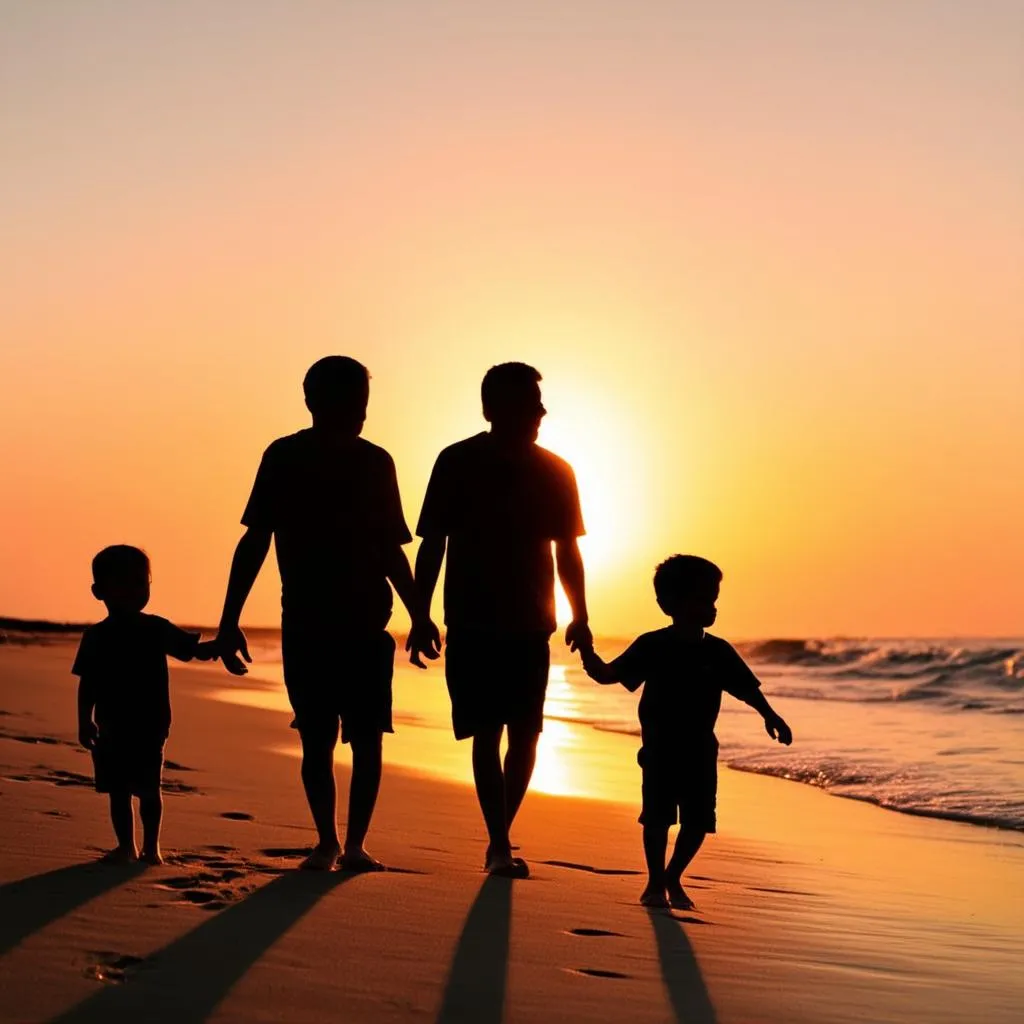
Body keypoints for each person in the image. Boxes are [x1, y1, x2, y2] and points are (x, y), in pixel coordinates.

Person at [214, 356, 438, 872]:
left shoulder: (375, 462)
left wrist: (420, 615)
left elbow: (389, 548)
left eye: (363, 403)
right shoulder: (285, 456)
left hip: (365, 625)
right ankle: (327, 841)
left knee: (366, 738)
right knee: (317, 737)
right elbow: (255, 541)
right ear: (313, 401)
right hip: (308, 624)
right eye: (349, 402)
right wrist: (229, 621)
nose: (358, 413)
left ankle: (353, 843)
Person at [412, 362, 591, 878]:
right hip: (470, 621)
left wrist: (581, 615)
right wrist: (420, 615)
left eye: (538, 404)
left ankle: (500, 838)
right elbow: (433, 544)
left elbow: (567, 553)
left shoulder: (557, 471)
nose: (538, 413)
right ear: (492, 409)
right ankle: (498, 843)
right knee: (486, 733)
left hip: (533, 625)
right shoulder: (457, 462)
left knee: (528, 736)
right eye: (527, 404)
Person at [578, 554, 792, 909]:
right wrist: (587, 651)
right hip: (660, 750)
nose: (712, 607)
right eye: (704, 598)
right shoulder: (653, 645)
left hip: (701, 752)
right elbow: (608, 674)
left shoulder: (719, 651)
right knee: (658, 818)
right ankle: (653, 883)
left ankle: (672, 877)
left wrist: (770, 715)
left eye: (715, 599)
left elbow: (746, 689)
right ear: (669, 604)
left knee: (698, 822)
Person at [73, 545, 218, 864]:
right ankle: (127, 846)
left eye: (141, 583)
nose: (133, 591)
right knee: (118, 790)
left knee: (150, 787)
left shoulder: (156, 628)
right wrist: (85, 719)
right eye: (123, 584)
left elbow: (192, 651)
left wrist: (221, 646)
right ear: (99, 591)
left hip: (151, 723)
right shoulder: (96, 636)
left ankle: (151, 848)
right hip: (110, 723)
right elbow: (88, 683)